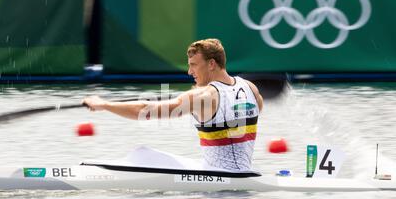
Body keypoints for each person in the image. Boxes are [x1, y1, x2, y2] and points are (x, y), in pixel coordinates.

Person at [82, 38, 263, 171]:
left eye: (193, 65)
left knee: (141, 155)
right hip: (243, 172)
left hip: (217, 179)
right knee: (144, 153)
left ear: (212, 64)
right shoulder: (251, 89)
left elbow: (145, 110)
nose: (189, 71)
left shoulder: (204, 96)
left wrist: (104, 104)